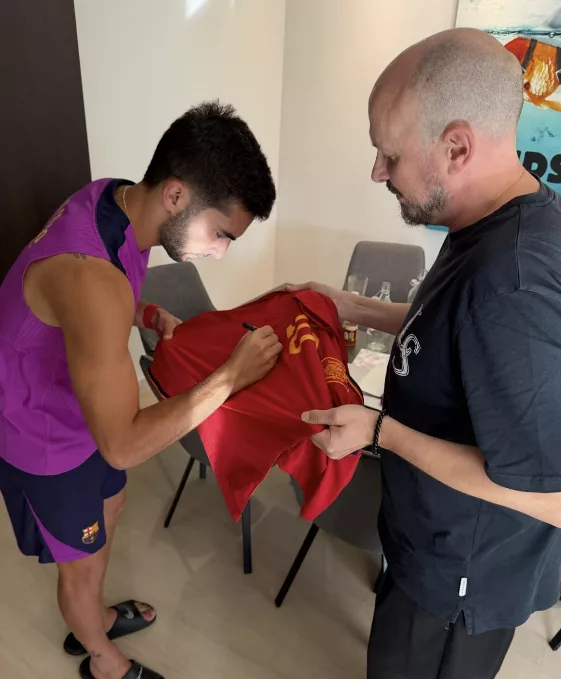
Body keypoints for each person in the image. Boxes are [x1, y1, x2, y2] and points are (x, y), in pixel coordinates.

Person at [292, 28, 561, 679]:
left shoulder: (511, 285)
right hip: (427, 543)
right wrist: (354, 307)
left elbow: (552, 494)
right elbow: (448, 329)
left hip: (458, 583)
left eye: (389, 154)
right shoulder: (487, 218)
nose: (376, 172)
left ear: (456, 147)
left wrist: (378, 431)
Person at [0, 101, 282, 679]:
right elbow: (124, 445)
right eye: (221, 234)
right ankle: (103, 659)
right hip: (39, 431)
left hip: (80, 407)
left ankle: (97, 616)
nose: (220, 251)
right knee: (79, 566)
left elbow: (102, 292)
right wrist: (229, 377)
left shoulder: (116, 200)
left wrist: (144, 311)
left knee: (112, 505)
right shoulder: (90, 277)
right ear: (176, 194)